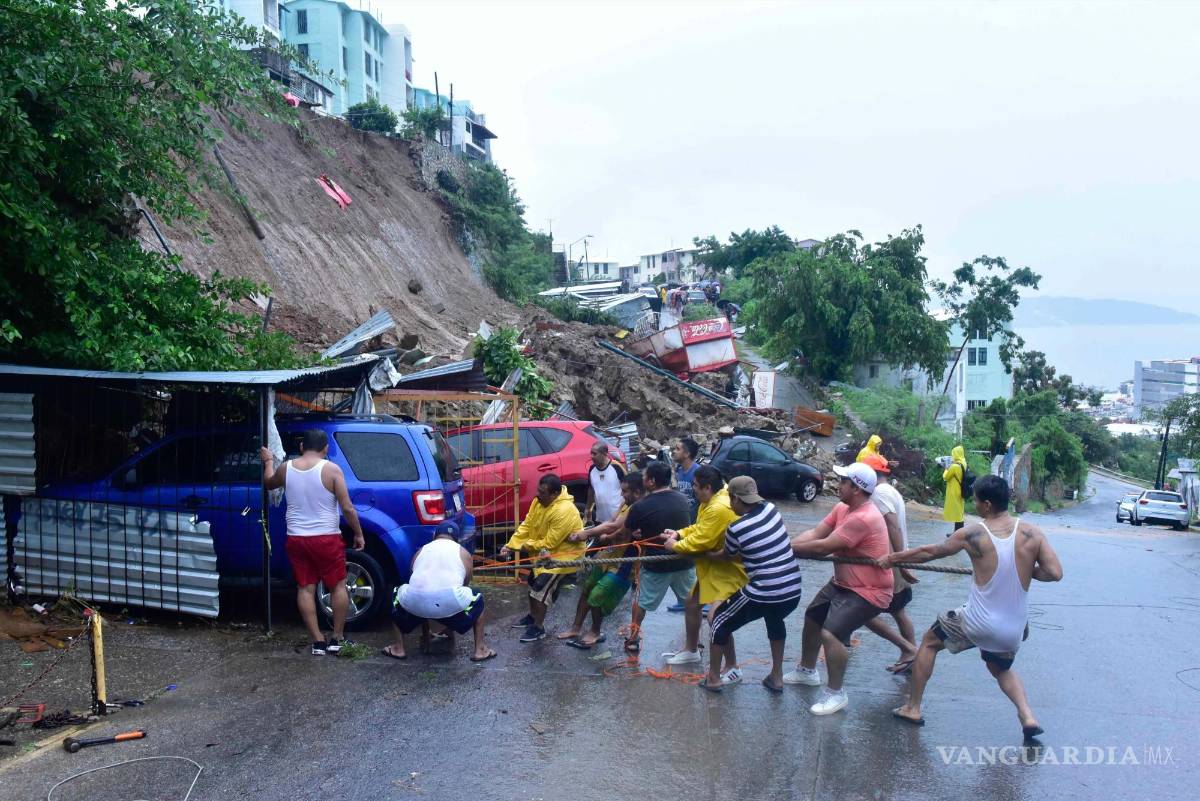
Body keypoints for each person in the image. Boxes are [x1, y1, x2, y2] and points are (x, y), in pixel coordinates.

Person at [881, 475, 1063, 739]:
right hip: (1013, 629)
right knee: (1000, 669)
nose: (974, 504)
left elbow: (931, 552)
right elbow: (1054, 573)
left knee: (930, 641)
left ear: (987, 505)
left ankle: (912, 707)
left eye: (976, 500)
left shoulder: (974, 533)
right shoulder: (1032, 533)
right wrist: (1025, 570)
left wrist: (892, 558)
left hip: (978, 622)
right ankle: (1027, 716)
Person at [786, 462, 893, 715]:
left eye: (843, 481)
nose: (838, 484)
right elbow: (816, 533)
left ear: (856, 489)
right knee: (813, 616)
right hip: (843, 583)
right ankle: (807, 671)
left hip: (869, 589)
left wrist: (785, 549)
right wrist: (786, 544)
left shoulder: (864, 517)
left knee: (831, 634)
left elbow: (824, 546)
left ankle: (836, 693)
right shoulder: (842, 507)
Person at [691, 476, 803, 693]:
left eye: (731, 500)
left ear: (735, 499)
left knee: (718, 619)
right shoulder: (772, 509)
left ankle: (713, 677)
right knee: (774, 618)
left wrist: (708, 555)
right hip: (792, 589)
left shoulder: (737, 527)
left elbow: (728, 555)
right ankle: (776, 676)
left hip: (764, 590)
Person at [261, 430, 364, 656]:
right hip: (327, 538)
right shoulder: (331, 470)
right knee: (337, 585)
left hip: (297, 538)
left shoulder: (286, 468)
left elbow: (269, 483)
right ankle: (337, 638)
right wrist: (358, 533)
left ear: (301, 447)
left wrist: (268, 461)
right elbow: (347, 508)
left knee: (305, 588)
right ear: (325, 448)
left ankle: (317, 641)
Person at [661, 466, 747, 676]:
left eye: (696, 487)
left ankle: (732, 666)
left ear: (708, 488)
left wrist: (675, 546)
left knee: (717, 617)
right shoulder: (713, 498)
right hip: (715, 565)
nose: (693, 491)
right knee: (692, 603)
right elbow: (701, 528)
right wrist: (679, 534)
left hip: (730, 568)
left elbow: (702, 540)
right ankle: (691, 650)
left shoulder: (719, 507)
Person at [382, 521, 495, 662]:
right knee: (476, 596)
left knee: (400, 592)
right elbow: (464, 584)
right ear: (456, 538)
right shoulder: (463, 552)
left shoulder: (421, 550)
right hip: (449, 601)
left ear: (435, 535)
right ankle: (480, 650)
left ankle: (400, 647)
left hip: (416, 603)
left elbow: (416, 580)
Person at [558, 471, 645, 648]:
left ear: (637, 492)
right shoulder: (625, 503)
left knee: (597, 595)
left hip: (625, 561)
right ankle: (576, 628)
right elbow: (612, 521)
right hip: (609, 553)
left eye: (626, 491)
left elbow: (616, 527)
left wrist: (588, 533)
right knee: (587, 587)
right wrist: (606, 535)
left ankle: (595, 632)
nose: (622, 495)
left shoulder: (640, 507)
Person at [500, 474, 585, 643]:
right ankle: (532, 617)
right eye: (538, 490)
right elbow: (527, 524)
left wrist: (523, 546)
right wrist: (511, 544)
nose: (538, 495)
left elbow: (551, 542)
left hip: (564, 556)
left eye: (543, 493)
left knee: (540, 589)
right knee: (532, 582)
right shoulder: (538, 501)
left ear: (554, 495)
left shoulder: (565, 510)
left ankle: (539, 628)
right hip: (545, 553)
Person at [622, 459, 694, 656]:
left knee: (642, 602)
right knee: (692, 604)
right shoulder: (682, 499)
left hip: (656, 565)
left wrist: (640, 536)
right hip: (684, 560)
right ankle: (694, 642)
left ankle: (634, 638)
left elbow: (627, 532)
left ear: (652, 482)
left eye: (645, 477)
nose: (642, 479)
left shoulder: (640, 506)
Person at [860, 454, 920, 673]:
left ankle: (909, 650)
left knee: (863, 610)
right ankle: (910, 653)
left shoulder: (878, 493)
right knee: (898, 611)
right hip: (895, 559)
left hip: (891, 561)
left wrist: (900, 560)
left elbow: (893, 526)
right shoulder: (890, 490)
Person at [585, 441, 625, 526]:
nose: (591, 456)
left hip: (619, 518)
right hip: (602, 519)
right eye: (591, 453)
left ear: (604, 454)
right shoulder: (592, 469)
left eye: (594, 454)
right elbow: (591, 490)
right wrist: (588, 508)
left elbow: (629, 488)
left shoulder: (616, 467)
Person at [672, 436, 701, 522]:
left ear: (686, 454)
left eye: (677, 449)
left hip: (693, 521)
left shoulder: (698, 472)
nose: (673, 451)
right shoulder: (678, 470)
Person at [943, 445, 968, 535]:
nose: (952, 455)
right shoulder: (964, 463)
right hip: (961, 489)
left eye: (953, 454)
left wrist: (946, 469)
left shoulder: (954, 466)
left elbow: (946, 477)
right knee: (959, 511)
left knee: (957, 513)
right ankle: (957, 532)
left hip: (954, 490)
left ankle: (958, 533)